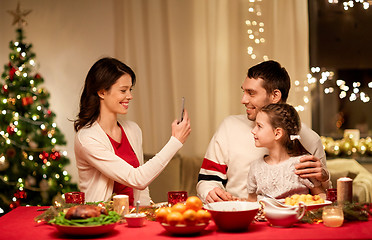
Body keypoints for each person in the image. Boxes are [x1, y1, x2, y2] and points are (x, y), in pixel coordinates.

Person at [197, 60, 330, 203]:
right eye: (244, 91)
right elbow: (206, 180)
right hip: (240, 214)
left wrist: (323, 178)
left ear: (275, 96)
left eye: (251, 93)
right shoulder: (229, 127)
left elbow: (325, 196)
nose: (243, 99)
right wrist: (209, 192)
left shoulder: (309, 138)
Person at [74, 57, 191, 205]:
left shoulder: (132, 129)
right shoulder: (87, 138)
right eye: (123, 90)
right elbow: (137, 179)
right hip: (103, 218)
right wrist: (175, 142)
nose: (130, 96)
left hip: (134, 216)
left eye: (130, 90)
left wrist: (146, 211)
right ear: (102, 92)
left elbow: (142, 189)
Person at [247, 103, 325, 202]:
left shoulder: (302, 164)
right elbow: (251, 201)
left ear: (277, 133)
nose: (253, 131)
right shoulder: (256, 167)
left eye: (259, 126)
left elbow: (320, 196)